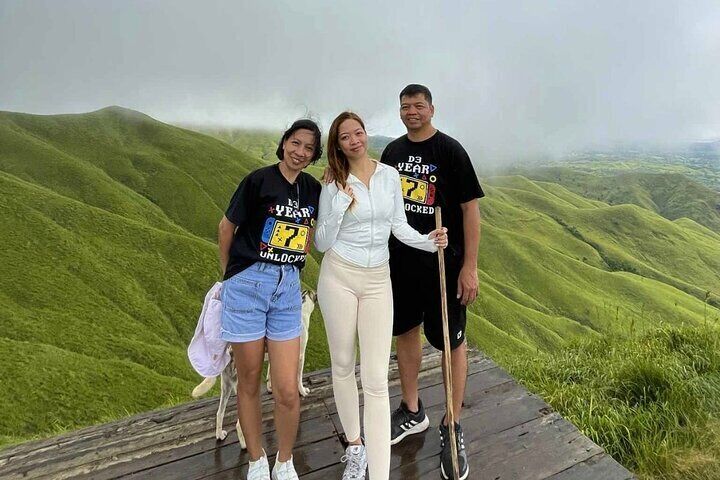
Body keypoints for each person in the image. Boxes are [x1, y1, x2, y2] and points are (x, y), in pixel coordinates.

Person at [314, 111, 448, 480]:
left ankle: (380, 474)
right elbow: (321, 242)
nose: (355, 140)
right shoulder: (332, 183)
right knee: (342, 366)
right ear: (337, 144)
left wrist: (428, 241)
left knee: (375, 378)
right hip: (339, 276)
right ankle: (355, 448)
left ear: (365, 135)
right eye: (345, 137)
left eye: (358, 133)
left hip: (377, 280)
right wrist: (340, 205)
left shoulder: (389, 175)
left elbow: (398, 225)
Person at [382, 85, 484, 480]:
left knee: (450, 342)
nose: (412, 112)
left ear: (431, 109)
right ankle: (412, 410)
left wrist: (470, 266)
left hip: (445, 264)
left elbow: (470, 211)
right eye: (405, 106)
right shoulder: (392, 152)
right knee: (405, 332)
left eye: (418, 106)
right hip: (401, 263)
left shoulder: (450, 151)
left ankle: (452, 423)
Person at [217, 119, 323, 480]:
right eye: (295, 143)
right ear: (283, 143)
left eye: (308, 148)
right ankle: (257, 461)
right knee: (248, 381)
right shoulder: (258, 180)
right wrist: (231, 275)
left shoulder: (312, 189)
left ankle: (285, 461)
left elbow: (317, 233)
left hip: (288, 288)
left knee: (287, 388)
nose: (300, 152)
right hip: (248, 282)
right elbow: (226, 227)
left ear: (313, 156)